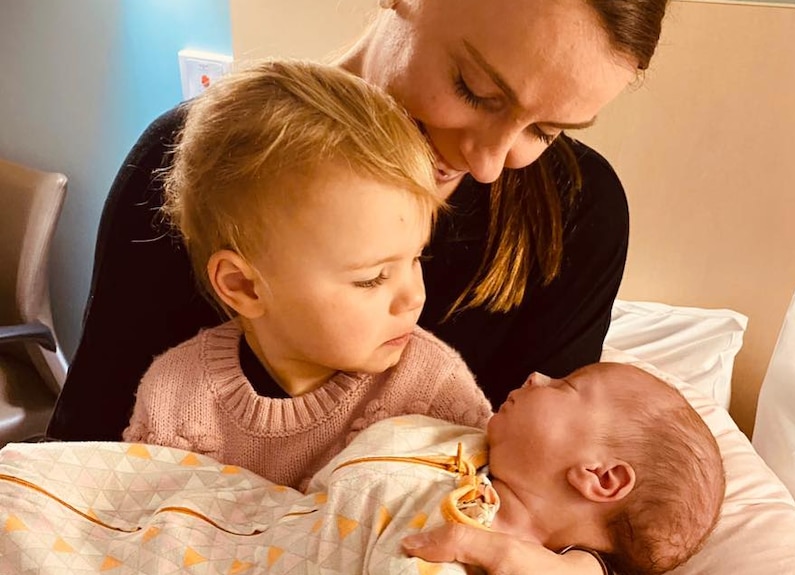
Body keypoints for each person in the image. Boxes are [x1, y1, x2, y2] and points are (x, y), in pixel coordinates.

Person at [48, 0, 672, 571]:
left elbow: (568, 506)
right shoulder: (208, 171)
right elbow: (85, 472)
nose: (487, 162)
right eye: (476, 89)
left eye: (548, 130)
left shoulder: (577, 213)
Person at [121, 59, 493, 490]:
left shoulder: (433, 392)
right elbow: (145, 536)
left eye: (415, 259)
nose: (413, 296)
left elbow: (481, 520)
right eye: (372, 278)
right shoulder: (175, 400)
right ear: (243, 285)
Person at [1, 363, 724, 575]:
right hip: (232, 507)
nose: (535, 373)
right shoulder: (471, 445)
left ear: (601, 478)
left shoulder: (486, 544)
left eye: (564, 387)